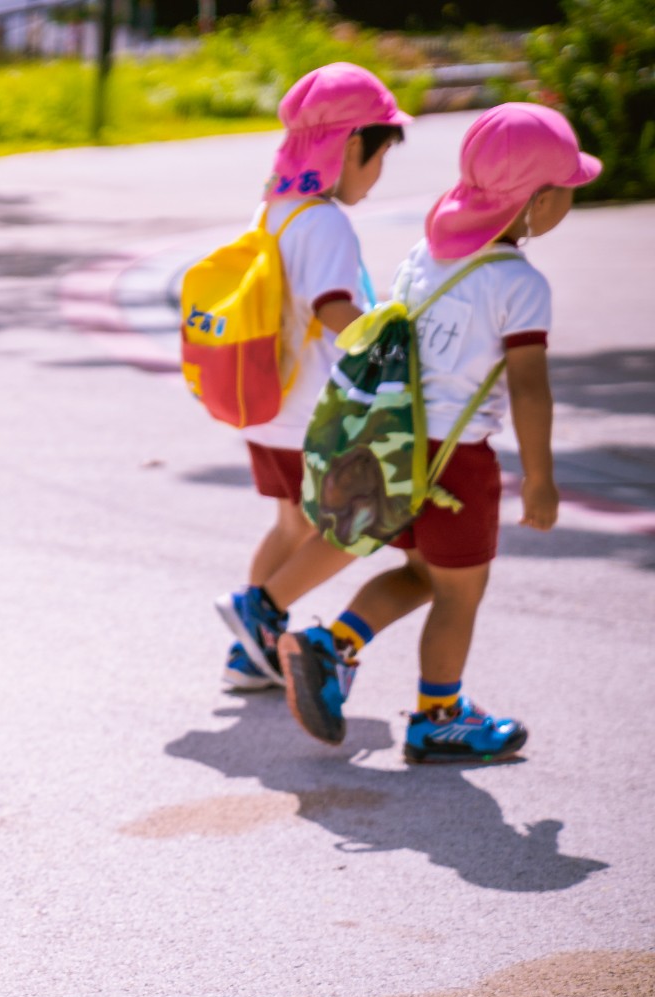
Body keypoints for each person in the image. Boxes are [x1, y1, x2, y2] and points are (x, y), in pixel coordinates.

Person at [275, 103, 600, 763]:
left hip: (396, 447)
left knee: (421, 573)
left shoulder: (426, 254)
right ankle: (440, 715)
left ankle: (332, 647)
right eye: (566, 188)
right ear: (536, 203)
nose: (570, 199)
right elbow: (529, 386)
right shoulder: (520, 283)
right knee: (460, 593)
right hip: (458, 463)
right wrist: (540, 477)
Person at [212, 63, 411, 691]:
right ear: (353, 146)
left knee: (290, 525)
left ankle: (250, 653)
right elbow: (332, 310)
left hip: (267, 405)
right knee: (358, 522)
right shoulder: (324, 221)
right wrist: (392, 340)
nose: (378, 178)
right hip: (312, 415)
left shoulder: (274, 207)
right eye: (380, 158)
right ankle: (259, 613)